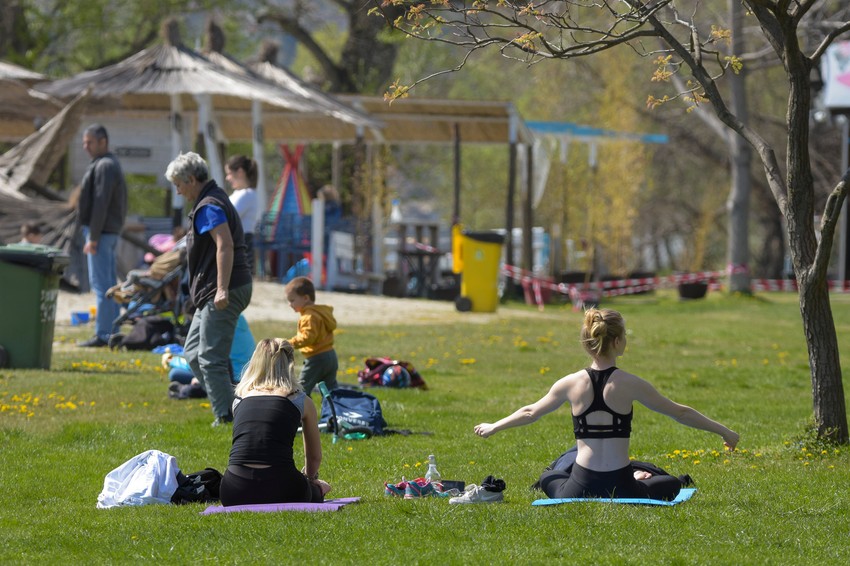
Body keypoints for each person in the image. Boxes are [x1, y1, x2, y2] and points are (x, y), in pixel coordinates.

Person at [474, 308, 739, 501]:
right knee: (671, 483)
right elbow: (680, 412)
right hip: (622, 486)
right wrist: (725, 432)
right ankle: (636, 476)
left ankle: (626, 476)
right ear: (617, 341)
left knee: (547, 477)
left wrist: (494, 426)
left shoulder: (570, 383)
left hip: (579, 487)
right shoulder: (631, 383)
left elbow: (530, 412)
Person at [165, 152, 253, 427]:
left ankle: (226, 417)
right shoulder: (212, 199)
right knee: (193, 352)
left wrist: (222, 288)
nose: (178, 191)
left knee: (211, 358)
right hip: (215, 291)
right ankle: (234, 406)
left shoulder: (209, 206)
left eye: (179, 184)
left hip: (225, 289)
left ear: (191, 179)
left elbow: (224, 244)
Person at [219, 338, 331, 506]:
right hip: (284, 487)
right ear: (290, 364)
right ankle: (319, 489)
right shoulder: (300, 400)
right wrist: (311, 479)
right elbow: (314, 457)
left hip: (233, 490)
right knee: (317, 489)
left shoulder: (239, 400)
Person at [77, 124, 128, 348]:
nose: (85, 146)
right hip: (107, 232)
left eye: (89, 142)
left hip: (102, 233)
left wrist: (93, 237)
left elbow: (100, 202)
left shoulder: (105, 165)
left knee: (101, 286)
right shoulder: (107, 163)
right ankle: (113, 331)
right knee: (109, 285)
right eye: (84, 142)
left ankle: (104, 333)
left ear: (103, 142)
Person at [284, 276, 339, 396]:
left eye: (292, 300)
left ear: (305, 298)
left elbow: (308, 338)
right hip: (331, 356)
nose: (289, 304)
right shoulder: (320, 313)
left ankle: (302, 408)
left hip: (317, 358)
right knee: (331, 391)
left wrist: (289, 343)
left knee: (301, 390)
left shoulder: (309, 317)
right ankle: (335, 407)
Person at [224, 155, 259, 273]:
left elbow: (228, 216)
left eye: (229, 173)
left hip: (242, 243)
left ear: (240, 172)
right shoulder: (238, 193)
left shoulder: (247, 194)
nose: (227, 178)